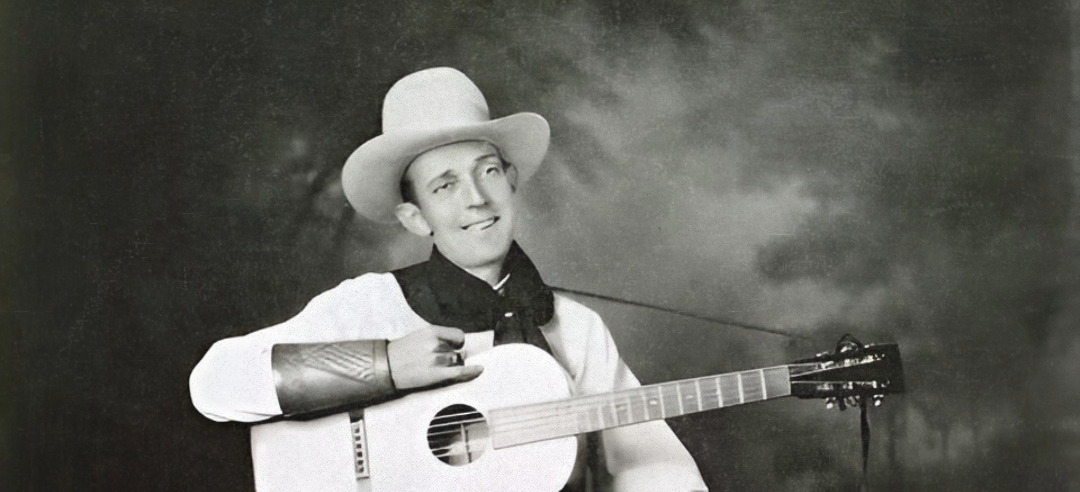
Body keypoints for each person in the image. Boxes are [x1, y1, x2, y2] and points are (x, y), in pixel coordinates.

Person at [189, 67, 707, 492]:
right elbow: (212, 384)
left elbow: (654, 465)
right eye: (445, 185)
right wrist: (385, 364)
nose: (476, 199)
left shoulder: (576, 329)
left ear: (511, 180)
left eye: (486, 171)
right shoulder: (371, 304)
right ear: (416, 218)